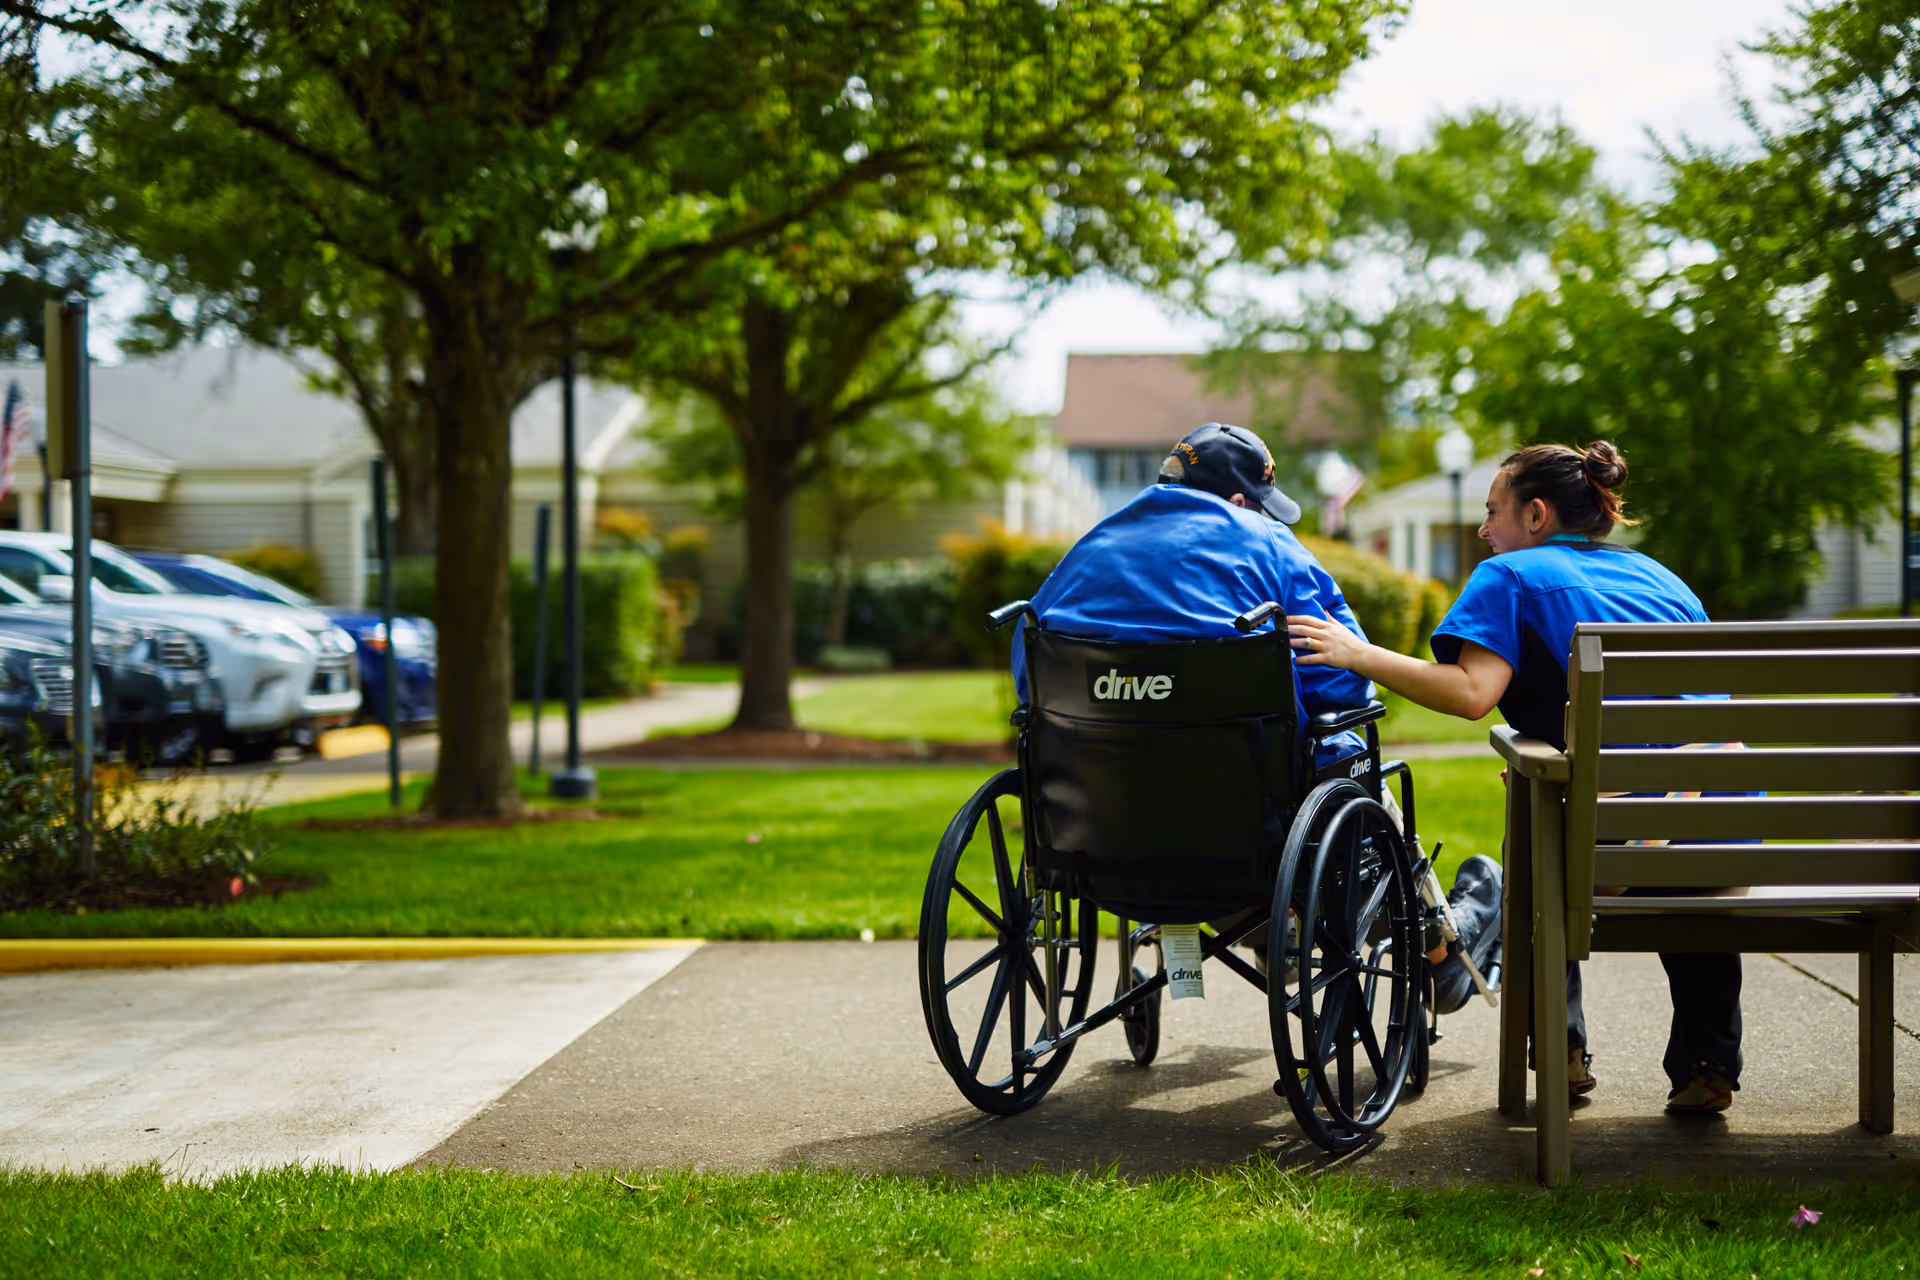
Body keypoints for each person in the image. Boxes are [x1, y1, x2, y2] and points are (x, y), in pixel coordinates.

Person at [1287, 440, 1740, 1115]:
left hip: (1605, 844)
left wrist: (1361, 654)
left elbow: (1473, 693)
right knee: (1649, 818)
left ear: (1535, 514)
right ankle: (1708, 1061)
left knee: (1539, 832)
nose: (1481, 529)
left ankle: (1561, 1050)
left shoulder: (1512, 575)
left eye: (1492, 510)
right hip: (1723, 831)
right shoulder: (1661, 578)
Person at [1013, 421, 1501, 1007]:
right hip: (1248, 835)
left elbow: (1031, 680)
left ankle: (1273, 935)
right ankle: (1441, 952)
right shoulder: (1268, 546)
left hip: (1097, 833)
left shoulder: (1087, 550)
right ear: (1241, 501)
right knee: (1347, 756)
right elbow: (1342, 681)